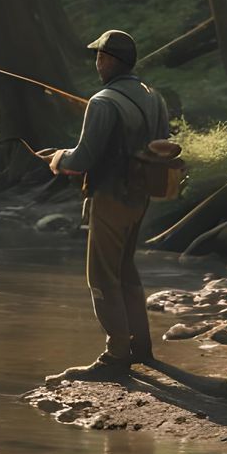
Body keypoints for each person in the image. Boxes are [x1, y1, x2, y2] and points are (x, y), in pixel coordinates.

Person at [47, 29, 171, 381]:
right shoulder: (154, 97)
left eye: (99, 56)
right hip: (140, 197)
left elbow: (83, 159)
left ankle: (116, 356)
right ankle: (141, 347)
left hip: (111, 197)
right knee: (126, 270)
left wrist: (59, 158)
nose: (97, 62)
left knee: (101, 276)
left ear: (108, 60)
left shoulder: (102, 102)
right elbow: (162, 143)